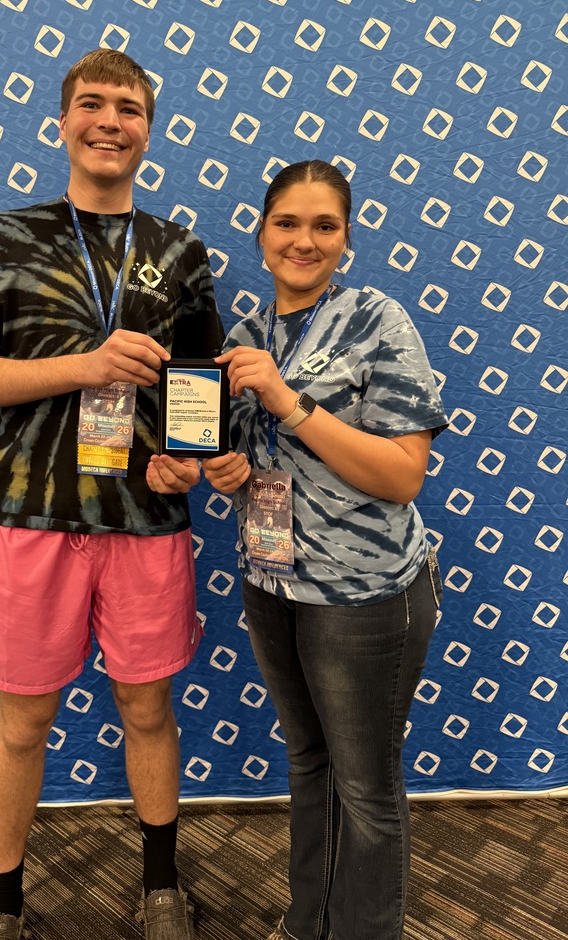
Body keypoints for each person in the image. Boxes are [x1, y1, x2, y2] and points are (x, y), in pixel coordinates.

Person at [0, 49, 224, 940]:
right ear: (62, 123)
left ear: (148, 131)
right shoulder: (3, 238)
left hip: (146, 523)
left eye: (128, 108)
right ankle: (2, 907)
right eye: (92, 104)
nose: (109, 122)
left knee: (148, 709)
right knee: (22, 723)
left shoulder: (179, 250)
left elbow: (199, 386)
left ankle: (161, 888)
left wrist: (188, 459)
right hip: (29, 519)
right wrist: (86, 366)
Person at [201, 160, 447, 940]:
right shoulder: (243, 339)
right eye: (287, 223)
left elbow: (402, 475)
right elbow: (256, 468)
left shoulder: (378, 319)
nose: (303, 240)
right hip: (272, 583)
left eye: (323, 226)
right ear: (261, 232)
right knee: (308, 765)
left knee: (365, 788)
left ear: (345, 239)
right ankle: (306, 924)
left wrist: (288, 400)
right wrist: (229, 475)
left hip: (364, 596)